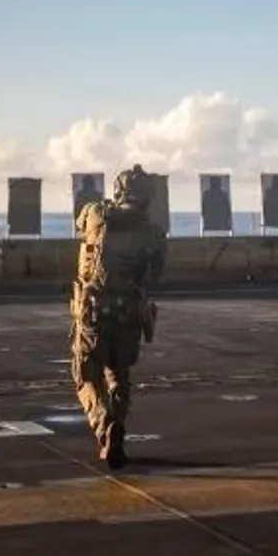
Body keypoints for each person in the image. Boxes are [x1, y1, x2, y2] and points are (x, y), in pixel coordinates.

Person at [71, 164, 167, 469]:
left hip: (93, 309)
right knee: (119, 375)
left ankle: (104, 424)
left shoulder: (96, 213)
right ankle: (117, 429)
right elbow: (156, 272)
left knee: (85, 374)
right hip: (129, 311)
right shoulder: (152, 232)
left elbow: (79, 223)